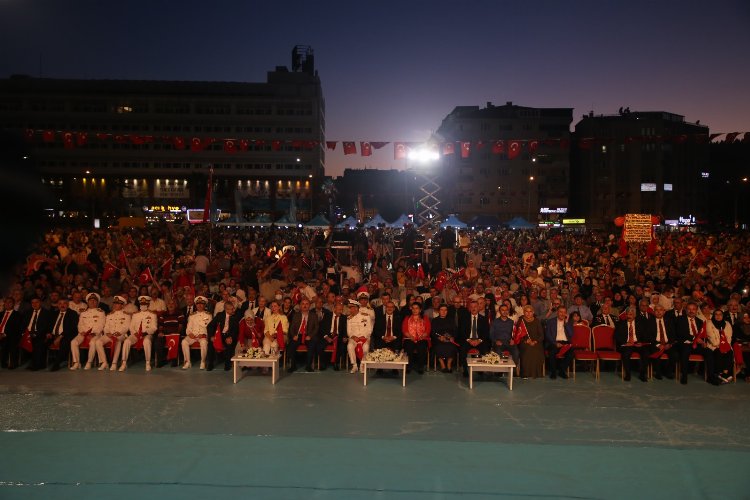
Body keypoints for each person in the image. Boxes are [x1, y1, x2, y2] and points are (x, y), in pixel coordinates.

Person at [675, 301, 713, 385]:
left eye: (693, 309)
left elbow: (703, 334)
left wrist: (703, 342)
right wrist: (694, 338)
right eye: (689, 309)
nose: (691, 311)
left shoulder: (700, 321)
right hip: (685, 344)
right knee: (685, 351)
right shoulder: (680, 319)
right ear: (686, 310)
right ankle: (684, 376)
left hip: (697, 345)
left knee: (709, 352)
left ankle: (710, 377)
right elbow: (680, 333)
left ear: (696, 311)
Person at [119, 296, 158, 371]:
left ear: (148, 304)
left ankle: (148, 363)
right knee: (127, 341)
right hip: (136, 334)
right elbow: (131, 327)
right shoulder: (135, 314)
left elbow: (154, 328)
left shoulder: (153, 314)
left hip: (147, 334)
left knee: (147, 341)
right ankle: (123, 363)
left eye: (145, 304)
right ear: (139, 304)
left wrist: (145, 333)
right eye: (142, 304)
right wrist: (135, 333)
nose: (143, 305)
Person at [614, 306, 652, 382]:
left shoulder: (640, 324)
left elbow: (646, 335)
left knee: (646, 353)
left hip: (637, 344)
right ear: (626, 315)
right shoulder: (620, 323)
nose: (629, 316)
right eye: (628, 314)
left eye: (631, 314)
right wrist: (625, 343)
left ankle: (642, 374)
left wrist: (641, 343)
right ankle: (628, 374)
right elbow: (617, 336)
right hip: (627, 344)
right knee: (626, 354)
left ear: (635, 315)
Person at [70, 293, 106, 370]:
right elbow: (80, 324)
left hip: (96, 333)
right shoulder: (83, 313)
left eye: (94, 300)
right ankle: (76, 363)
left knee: (92, 342)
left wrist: (93, 333)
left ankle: (89, 362)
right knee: (73, 342)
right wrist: (82, 331)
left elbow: (101, 325)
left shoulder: (101, 312)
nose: (92, 302)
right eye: (90, 300)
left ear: (97, 302)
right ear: (87, 302)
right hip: (83, 333)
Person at [286, 297, 321, 373]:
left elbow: (316, 327)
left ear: (309, 305)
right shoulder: (296, 315)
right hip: (298, 335)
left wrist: (310, 336)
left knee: (312, 345)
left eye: (306, 304)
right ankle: (293, 366)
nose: (305, 305)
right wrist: (293, 335)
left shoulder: (314, 315)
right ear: (300, 306)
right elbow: (291, 328)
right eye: (303, 304)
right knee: (290, 346)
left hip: (309, 335)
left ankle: (308, 366)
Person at [95, 295, 129, 371]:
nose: (115, 305)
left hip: (121, 335)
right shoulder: (110, 315)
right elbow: (106, 326)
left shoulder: (126, 315)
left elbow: (127, 327)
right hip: (109, 334)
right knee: (98, 342)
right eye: (114, 303)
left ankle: (114, 363)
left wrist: (119, 332)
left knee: (117, 342)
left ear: (122, 305)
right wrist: (107, 332)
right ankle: (104, 362)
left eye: (117, 303)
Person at [45, 297, 79, 371]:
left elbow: (72, 328)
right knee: (41, 342)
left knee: (64, 342)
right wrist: (48, 333)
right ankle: (40, 363)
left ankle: (56, 364)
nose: (62, 305)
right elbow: (48, 325)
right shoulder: (53, 313)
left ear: (68, 304)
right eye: (60, 304)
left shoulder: (73, 313)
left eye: (64, 303)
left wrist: (60, 336)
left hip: (66, 335)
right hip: (53, 335)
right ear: (57, 305)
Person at [206, 300, 240, 371]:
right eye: (231, 309)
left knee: (230, 344)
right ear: (226, 309)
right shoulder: (219, 315)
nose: (233, 310)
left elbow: (236, 330)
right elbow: (210, 326)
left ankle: (227, 364)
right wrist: (211, 336)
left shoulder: (235, 316)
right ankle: (210, 364)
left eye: (233, 308)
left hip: (228, 335)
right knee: (211, 344)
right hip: (219, 335)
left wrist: (230, 337)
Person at [459, 300, 489, 377]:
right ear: (469, 308)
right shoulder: (464, 318)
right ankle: (465, 370)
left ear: (478, 307)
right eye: (471, 307)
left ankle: (480, 369)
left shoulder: (484, 319)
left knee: (485, 349)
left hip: (479, 340)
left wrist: (479, 340)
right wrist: (469, 340)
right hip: (468, 340)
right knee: (462, 350)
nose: (473, 308)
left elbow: (486, 332)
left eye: (475, 306)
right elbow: (461, 331)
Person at [181, 296, 212, 370]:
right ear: (196, 305)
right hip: (193, 335)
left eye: (202, 304)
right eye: (198, 304)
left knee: (204, 343)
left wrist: (204, 334)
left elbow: (209, 328)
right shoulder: (192, 315)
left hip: (202, 335)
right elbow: (188, 328)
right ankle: (188, 362)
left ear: (205, 305)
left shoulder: (208, 315)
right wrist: (189, 333)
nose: (200, 305)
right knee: (184, 342)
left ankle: (203, 362)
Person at [545, 305, 574, 379]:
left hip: (565, 342)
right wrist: (555, 343)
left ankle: (562, 370)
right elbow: (548, 335)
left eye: (564, 312)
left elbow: (571, 335)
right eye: (560, 312)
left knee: (571, 352)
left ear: (566, 314)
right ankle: (553, 372)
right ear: (557, 312)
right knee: (552, 352)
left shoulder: (569, 322)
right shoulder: (551, 321)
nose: (562, 314)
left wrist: (566, 323)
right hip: (554, 342)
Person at [705, 309, 734, 384]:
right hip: (713, 346)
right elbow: (710, 336)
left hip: (726, 345)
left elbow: (729, 337)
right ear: (713, 316)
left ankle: (724, 374)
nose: (718, 316)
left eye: (720, 314)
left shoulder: (727, 323)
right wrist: (719, 345)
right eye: (716, 314)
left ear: (723, 315)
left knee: (729, 352)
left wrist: (725, 345)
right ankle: (718, 373)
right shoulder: (709, 323)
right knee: (719, 352)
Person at [516, 305, 545, 378]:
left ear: (533, 312)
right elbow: (517, 334)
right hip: (524, 342)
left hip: (536, 343)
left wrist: (535, 341)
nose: (528, 313)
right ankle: (525, 373)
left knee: (536, 350)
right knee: (528, 349)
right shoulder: (521, 321)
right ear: (523, 312)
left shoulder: (537, 321)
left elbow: (541, 335)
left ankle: (536, 373)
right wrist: (526, 340)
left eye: (530, 311)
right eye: (526, 311)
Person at [155, 299, 185, 367]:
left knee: (175, 338)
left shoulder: (179, 313)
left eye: (172, 303)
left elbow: (180, 326)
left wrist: (176, 333)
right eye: (169, 304)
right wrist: (160, 332)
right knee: (158, 341)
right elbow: (160, 325)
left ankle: (173, 360)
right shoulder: (163, 314)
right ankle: (161, 361)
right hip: (165, 334)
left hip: (175, 333)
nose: (171, 305)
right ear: (167, 305)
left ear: (175, 305)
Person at [651, 304, 677, 380]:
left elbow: (673, 334)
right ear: (654, 312)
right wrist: (658, 345)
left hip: (667, 344)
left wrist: (670, 344)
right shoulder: (650, 321)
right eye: (656, 310)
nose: (659, 312)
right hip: (656, 344)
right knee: (655, 352)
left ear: (664, 312)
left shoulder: (669, 321)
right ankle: (658, 373)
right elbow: (648, 336)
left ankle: (668, 372)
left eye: (661, 310)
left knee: (675, 354)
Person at [347, 299, 373, 373]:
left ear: (356, 308)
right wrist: (353, 336)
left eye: (351, 307)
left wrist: (364, 336)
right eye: (350, 308)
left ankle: (362, 365)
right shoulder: (349, 318)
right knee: (350, 346)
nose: (350, 309)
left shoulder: (366, 316)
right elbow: (349, 331)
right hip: (354, 338)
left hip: (365, 337)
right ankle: (354, 366)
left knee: (366, 347)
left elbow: (370, 329)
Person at [489, 303, 519, 367]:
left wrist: (513, 340)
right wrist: (495, 341)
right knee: (498, 352)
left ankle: (513, 370)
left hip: (509, 342)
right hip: (499, 342)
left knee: (516, 352)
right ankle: (499, 371)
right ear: (499, 312)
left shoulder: (511, 322)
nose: (505, 312)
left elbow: (515, 333)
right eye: (502, 310)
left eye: (506, 310)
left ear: (508, 311)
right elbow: (491, 334)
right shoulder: (495, 322)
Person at [320, 301, 346, 370]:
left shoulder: (343, 318)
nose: (341, 311)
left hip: (338, 336)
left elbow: (345, 330)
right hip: (328, 335)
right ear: (334, 309)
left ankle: (336, 363)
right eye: (339, 309)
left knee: (341, 346)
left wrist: (345, 337)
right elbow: (322, 327)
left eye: (342, 310)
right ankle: (323, 363)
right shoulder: (327, 315)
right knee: (320, 345)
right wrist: (326, 337)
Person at [431, 304, 458, 372]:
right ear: (439, 311)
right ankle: (442, 364)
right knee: (438, 346)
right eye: (441, 310)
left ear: (447, 311)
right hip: (439, 340)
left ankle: (449, 364)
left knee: (452, 346)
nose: (443, 311)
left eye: (445, 310)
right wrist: (439, 337)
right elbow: (432, 332)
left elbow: (455, 331)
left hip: (449, 340)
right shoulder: (435, 320)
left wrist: (452, 337)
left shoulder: (451, 320)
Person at [0, 297, 24, 369]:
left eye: (9, 302)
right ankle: (3, 362)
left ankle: (12, 362)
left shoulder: (17, 315)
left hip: (10, 335)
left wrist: (4, 334)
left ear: (13, 304)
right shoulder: (0, 314)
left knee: (11, 341)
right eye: (6, 302)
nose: (7, 304)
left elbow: (16, 328)